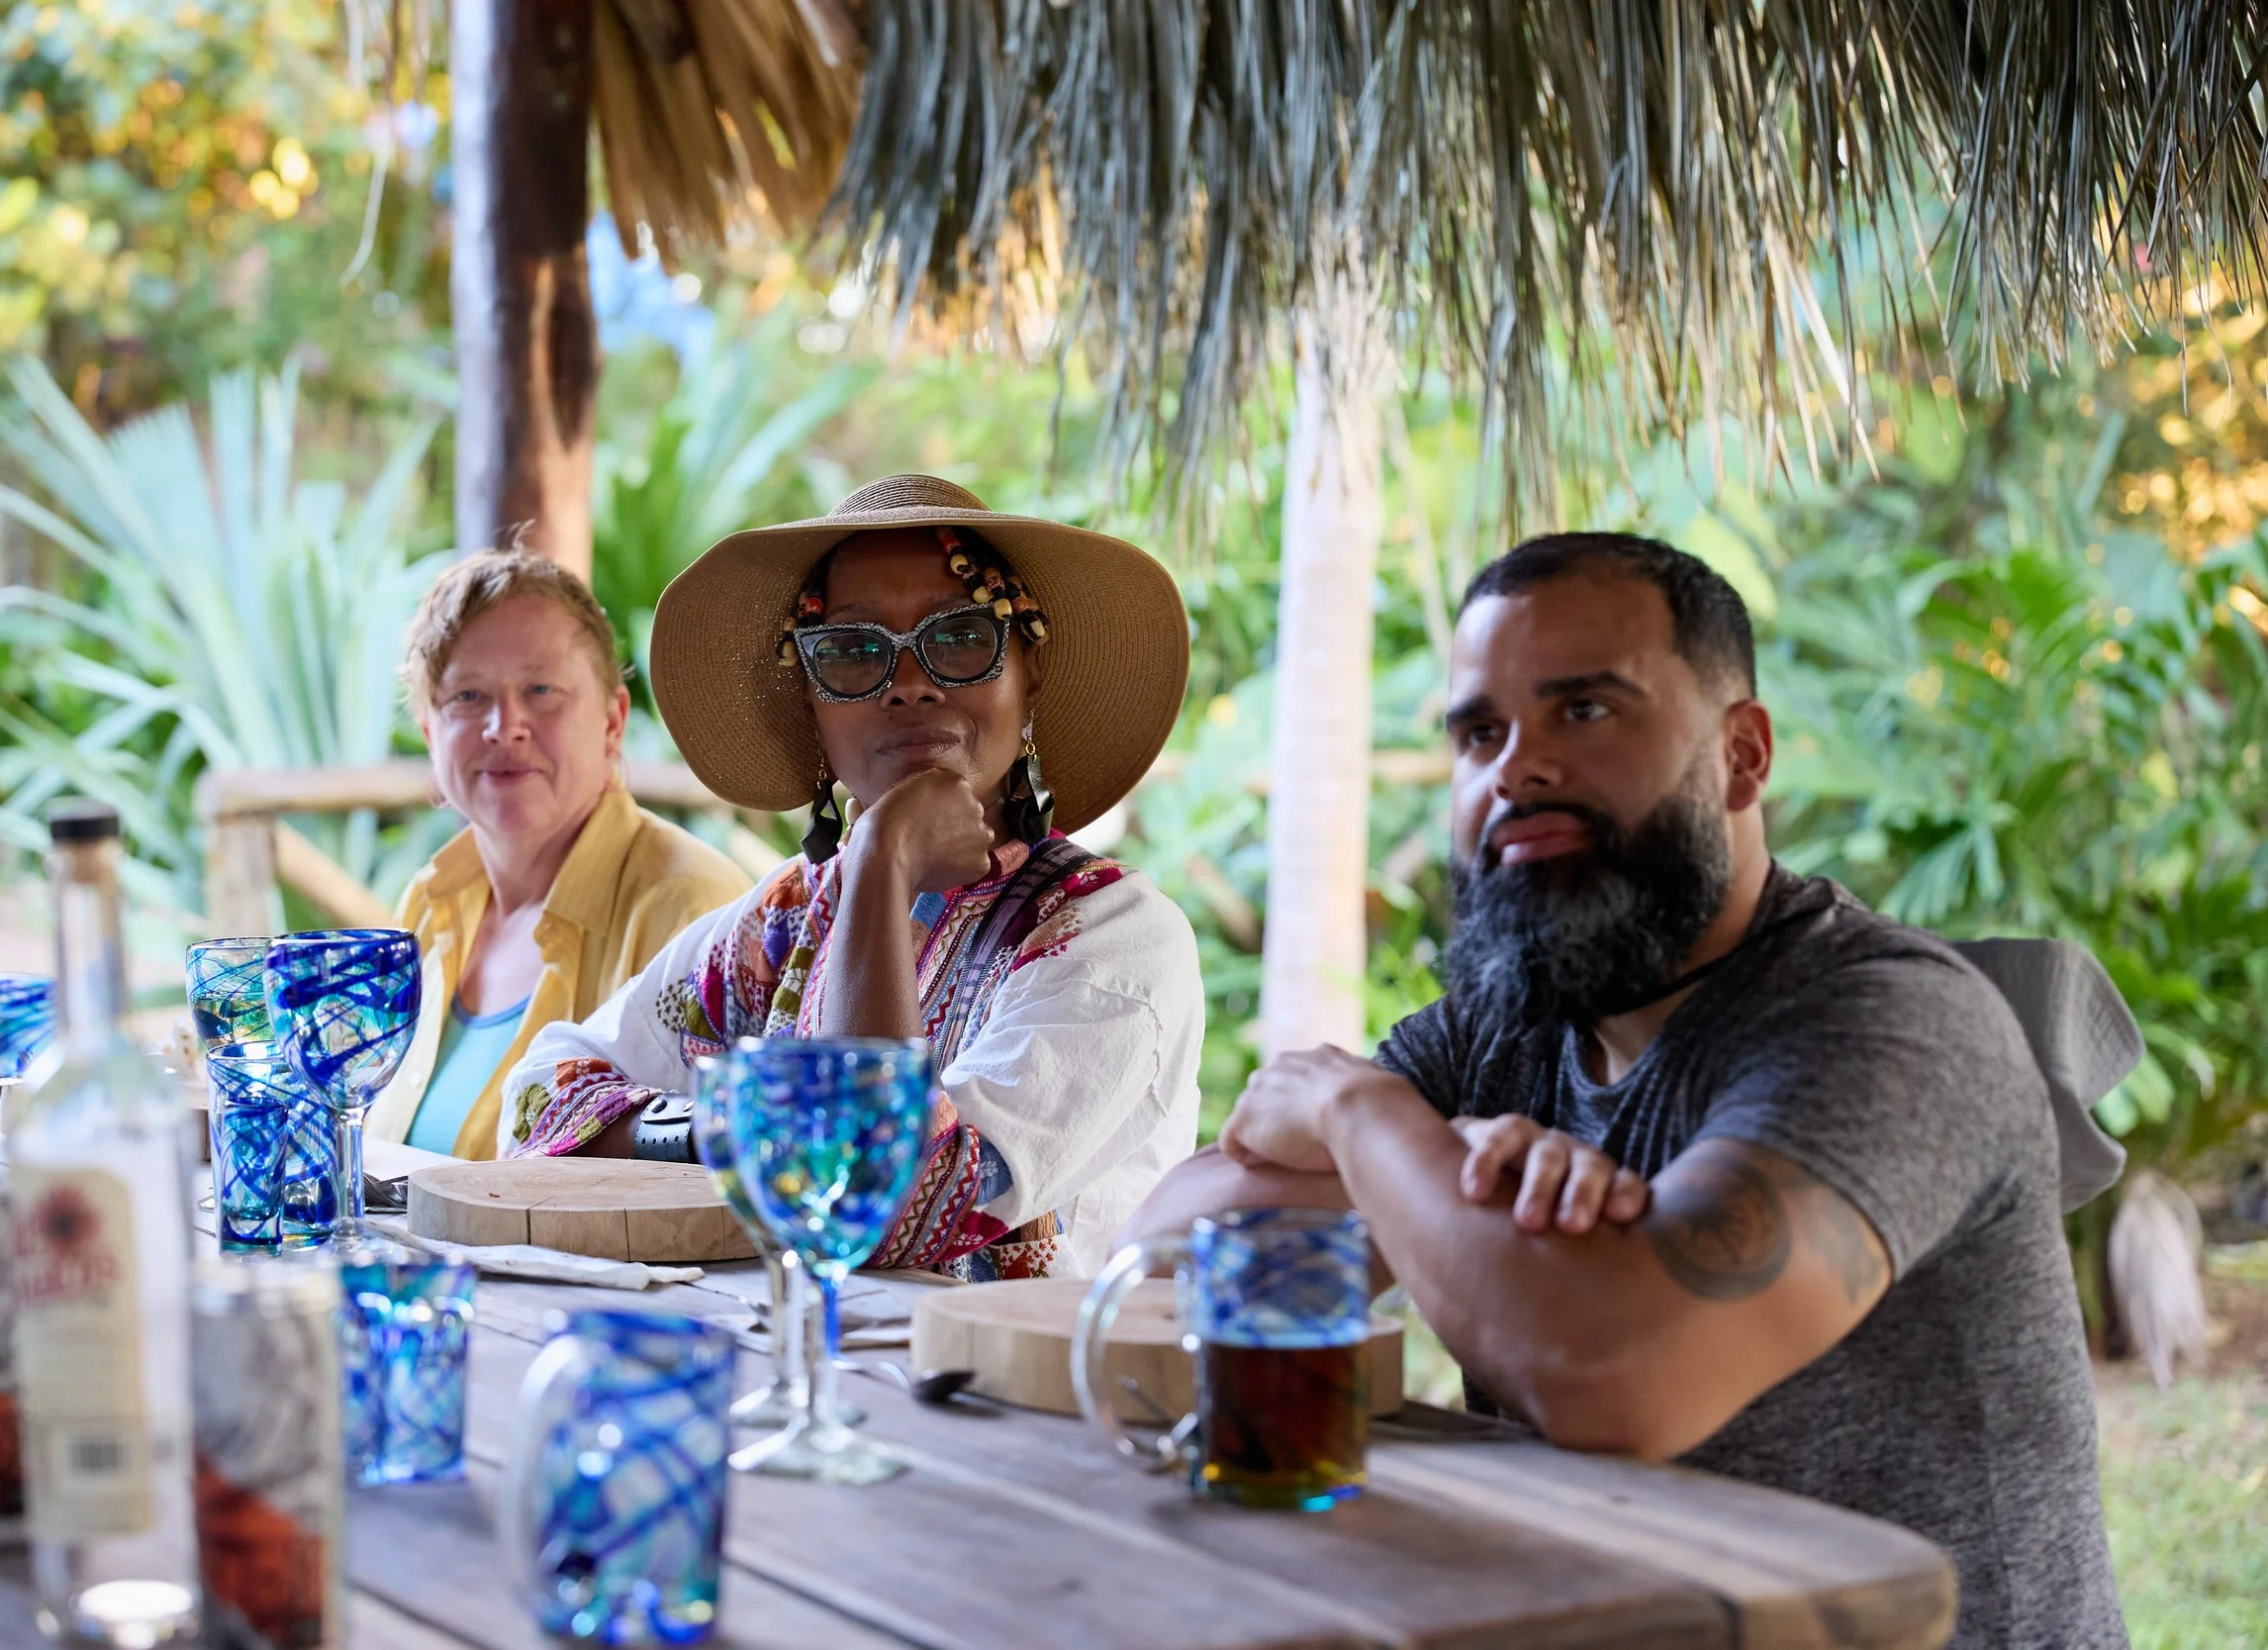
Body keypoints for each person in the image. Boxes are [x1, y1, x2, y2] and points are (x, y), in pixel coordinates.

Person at [1122, 533, 2125, 1649]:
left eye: (1583, 711)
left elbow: (1616, 1380)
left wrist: (1363, 1116)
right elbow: (1161, 1249)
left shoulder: (1888, 1019)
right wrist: (1449, 1151)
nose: (1515, 768)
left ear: (1742, 755)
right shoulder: (1500, 1028)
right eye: (1478, 732)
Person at [501, 475, 1204, 1279]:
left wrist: (881, 860)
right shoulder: (790, 917)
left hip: (1004, 1399)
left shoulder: (1113, 940)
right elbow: (537, 1098)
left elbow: (876, 1209)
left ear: (1029, 672)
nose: (911, 681)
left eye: (963, 636)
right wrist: (738, 1134)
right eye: (852, 650)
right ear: (812, 698)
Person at [366, 549, 750, 1160]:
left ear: (612, 721)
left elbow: (725, 1178)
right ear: (431, 732)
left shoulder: (691, 908)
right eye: (467, 695)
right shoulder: (428, 899)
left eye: (541, 689)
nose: (505, 725)